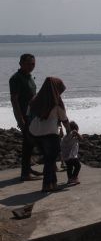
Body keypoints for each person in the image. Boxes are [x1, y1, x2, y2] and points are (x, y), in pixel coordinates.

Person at [28, 77, 70, 193]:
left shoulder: (35, 99)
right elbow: (64, 120)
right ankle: (46, 185)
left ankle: (53, 183)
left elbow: (29, 114)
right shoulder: (56, 103)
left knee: (48, 159)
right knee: (50, 160)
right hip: (50, 134)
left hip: (35, 133)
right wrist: (69, 132)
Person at [9, 53, 38, 181]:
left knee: (31, 143)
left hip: (33, 115)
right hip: (24, 116)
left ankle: (28, 169)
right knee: (27, 143)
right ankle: (25, 174)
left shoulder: (29, 77)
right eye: (28, 64)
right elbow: (14, 100)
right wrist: (19, 119)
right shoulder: (16, 78)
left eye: (33, 64)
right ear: (20, 64)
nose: (31, 66)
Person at [61, 121, 82, 185]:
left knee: (69, 167)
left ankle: (70, 179)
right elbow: (81, 139)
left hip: (66, 156)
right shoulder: (71, 135)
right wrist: (76, 133)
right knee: (78, 166)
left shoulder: (66, 137)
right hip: (71, 156)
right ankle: (74, 178)